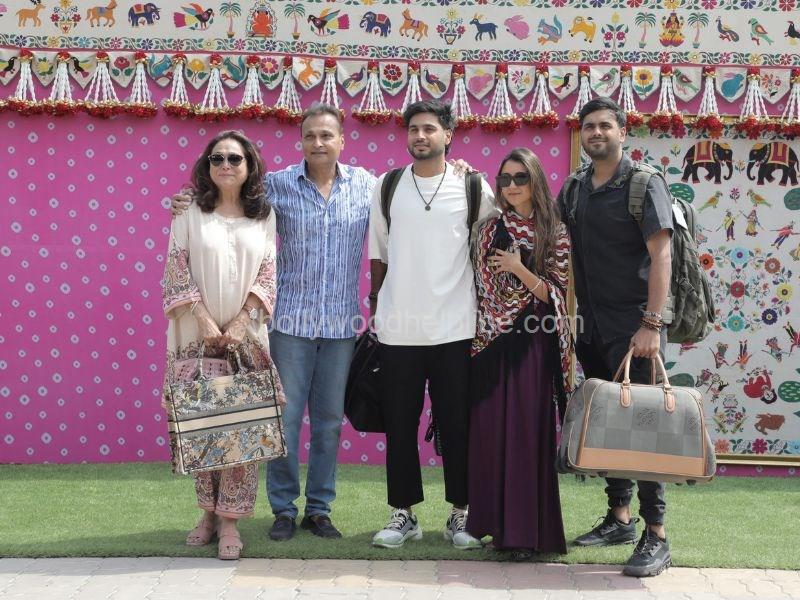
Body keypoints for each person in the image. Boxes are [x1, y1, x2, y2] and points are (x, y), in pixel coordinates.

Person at [172, 105, 375, 541]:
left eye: (327, 135)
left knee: (329, 423)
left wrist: (458, 168)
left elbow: (406, 192)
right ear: (300, 141)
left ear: (342, 141)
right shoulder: (277, 186)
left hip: (341, 327)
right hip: (289, 324)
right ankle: (283, 508)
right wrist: (186, 199)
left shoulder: (367, 186)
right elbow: (229, 193)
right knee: (284, 419)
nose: (318, 143)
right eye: (310, 135)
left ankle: (319, 509)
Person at [368, 99, 499, 550]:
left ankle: (461, 513)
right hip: (399, 327)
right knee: (399, 425)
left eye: (429, 128)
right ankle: (403, 515)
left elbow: (494, 243)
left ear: (448, 135)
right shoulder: (388, 185)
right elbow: (379, 252)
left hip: (456, 327)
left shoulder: (473, 186)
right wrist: (377, 305)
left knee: (457, 424)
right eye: (413, 129)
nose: (420, 136)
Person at [556, 97, 674, 577]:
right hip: (591, 324)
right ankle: (620, 518)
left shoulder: (644, 184)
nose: (596, 133)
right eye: (589, 126)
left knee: (645, 427)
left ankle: (657, 535)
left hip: (634, 326)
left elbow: (661, 254)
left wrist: (651, 324)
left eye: (605, 125)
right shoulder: (575, 188)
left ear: (623, 132)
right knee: (608, 421)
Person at [162, 130, 279, 560]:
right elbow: (176, 267)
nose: (225, 165)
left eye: (234, 158)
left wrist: (244, 320)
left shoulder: (263, 215)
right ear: (206, 166)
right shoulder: (189, 211)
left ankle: (230, 520)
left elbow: (268, 269)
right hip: (196, 334)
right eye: (217, 158)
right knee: (203, 425)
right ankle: (207, 515)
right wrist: (203, 318)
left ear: (249, 166)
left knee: (241, 427)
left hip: (245, 336)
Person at [466, 147, 573, 561]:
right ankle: (494, 527)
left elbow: (555, 294)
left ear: (535, 181)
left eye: (520, 178)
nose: (511, 186)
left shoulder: (554, 231)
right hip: (490, 345)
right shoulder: (487, 230)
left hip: (532, 344)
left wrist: (518, 267)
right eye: (505, 179)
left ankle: (525, 534)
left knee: (527, 435)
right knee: (492, 434)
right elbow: (481, 289)